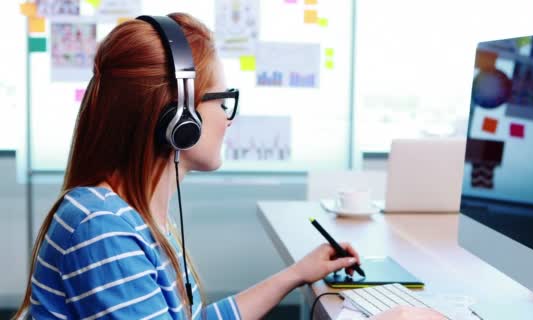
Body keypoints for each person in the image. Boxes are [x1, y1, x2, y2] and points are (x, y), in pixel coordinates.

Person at [13, 13, 445, 320]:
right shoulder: (102, 228)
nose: (231, 116)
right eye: (223, 99)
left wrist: (296, 275)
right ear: (179, 118)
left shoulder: (137, 216)